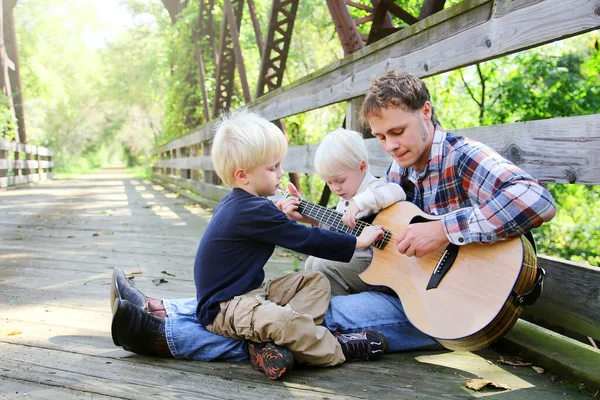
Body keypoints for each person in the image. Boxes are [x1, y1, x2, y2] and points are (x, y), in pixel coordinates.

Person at [111, 69, 556, 379]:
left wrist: (442, 230)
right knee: (295, 295)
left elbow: (536, 200)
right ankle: (165, 308)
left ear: (426, 113)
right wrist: (310, 215)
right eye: (380, 138)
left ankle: (166, 335)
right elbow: (381, 239)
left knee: (318, 322)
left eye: (397, 132)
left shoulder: (461, 156)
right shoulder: (400, 172)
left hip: (457, 303)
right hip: (404, 283)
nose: (391, 146)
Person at [114, 110, 390, 381]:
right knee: (284, 322)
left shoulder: (242, 203)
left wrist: (282, 214)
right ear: (243, 175)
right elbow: (306, 239)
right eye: (273, 168)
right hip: (226, 308)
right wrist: (356, 241)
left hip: (250, 294)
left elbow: (273, 225)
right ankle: (335, 349)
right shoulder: (254, 211)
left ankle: (282, 344)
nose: (282, 172)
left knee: (315, 281)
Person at [301, 128, 406, 295]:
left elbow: (396, 192)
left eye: (340, 180)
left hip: (383, 263)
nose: (335, 188)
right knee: (311, 262)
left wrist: (359, 202)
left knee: (323, 265)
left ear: (362, 166)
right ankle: (321, 306)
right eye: (329, 183)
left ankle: (334, 308)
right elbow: (337, 231)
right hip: (358, 258)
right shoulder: (345, 199)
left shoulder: (375, 188)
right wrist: (307, 217)